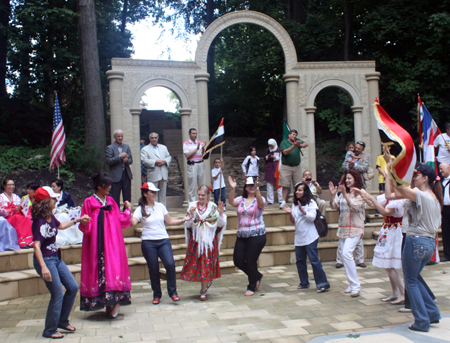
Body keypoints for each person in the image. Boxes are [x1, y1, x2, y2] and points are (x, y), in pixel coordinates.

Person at [385, 162, 441, 332]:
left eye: (416, 175)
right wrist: (389, 173)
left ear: (425, 178)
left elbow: (398, 186)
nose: (413, 177)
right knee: (414, 278)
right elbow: (389, 193)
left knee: (411, 282)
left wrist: (390, 168)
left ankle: (422, 321)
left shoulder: (421, 195)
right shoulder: (429, 196)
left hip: (416, 241)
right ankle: (431, 313)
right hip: (428, 243)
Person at [31, 186, 90, 339]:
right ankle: (49, 330)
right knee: (57, 294)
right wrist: (43, 267)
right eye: (53, 198)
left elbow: (61, 226)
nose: (56, 200)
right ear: (45, 202)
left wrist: (77, 220)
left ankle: (62, 321)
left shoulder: (51, 217)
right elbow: (36, 246)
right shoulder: (39, 222)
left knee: (72, 287)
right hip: (46, 261)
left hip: (56, 258)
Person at [78, 173, 132, 318]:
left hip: (113, 241)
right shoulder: (89, 202)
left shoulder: (111, 201)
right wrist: (84, 223)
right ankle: (105, 302)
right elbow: (85, 223)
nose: (109, 188)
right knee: (98, 268)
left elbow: (120, 219)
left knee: (113, 266)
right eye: (106, 185)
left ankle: (115, 301)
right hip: (96, 242)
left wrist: (127, 210)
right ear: (99, 186)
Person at [131, 182, 193, 304]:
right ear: (145, 194)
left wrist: (183, 220)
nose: (155, 194)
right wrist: (127, 212)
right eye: (152, 192)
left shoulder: (160, 206)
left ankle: (173, 292)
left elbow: (169, 221)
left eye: (155, 192)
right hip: (148, 242)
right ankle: (156, 294)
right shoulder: (140, 209)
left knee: (170, 264)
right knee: (153, 268)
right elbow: (133, 222)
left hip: (163, 240)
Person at [353, 188, 404, 304]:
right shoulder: (387, 198)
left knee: (389, 264)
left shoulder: (399, 199)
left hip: (395, 231)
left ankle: (403, 292)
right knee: (387, 264)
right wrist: (363, 195)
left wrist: (370, 198)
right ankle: (396, 292)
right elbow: (373, 204)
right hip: (388, 230)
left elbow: (385, 212)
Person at [180, 185, 227, 301]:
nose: (200, 197)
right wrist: (190, 216)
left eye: (203, 195)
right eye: (199, 195)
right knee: (199, 265)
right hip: (196, 241)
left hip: (209, 241)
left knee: (206, 264)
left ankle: (203, 291)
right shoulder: (192, 206)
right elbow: (187, 225)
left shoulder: (213, 207)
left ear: (208, 196)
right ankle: (205, 284)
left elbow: (220, 224)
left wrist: (220, 214)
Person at [282, 182, 330, 292]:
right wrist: (290, 213)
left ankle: (322, 283)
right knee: (300, 261)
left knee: (313, 260)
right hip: (299, 237)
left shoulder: (311, 203)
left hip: (310, 236)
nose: (297, 192)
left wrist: (303, 211)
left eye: (300, 190)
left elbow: (312, 217)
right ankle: (304, 282)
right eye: (296, 190)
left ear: (305, 192)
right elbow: (294, 221)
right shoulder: (295, 204)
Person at [329, 169, 366, 297]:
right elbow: (334, 206)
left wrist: (344, 194)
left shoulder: (361, 193)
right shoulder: (343, 193)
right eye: (346, 179)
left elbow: (355, 206)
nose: (347, 181)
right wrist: (333, 194)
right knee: (345, 256)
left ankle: (356, 285)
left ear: (356, 179)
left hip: (356, 228)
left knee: (346, 253)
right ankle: (351, 284)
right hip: (343, 228)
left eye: (350, 178)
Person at [228, 176, 266, 296]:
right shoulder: (241, 199)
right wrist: (232, 189)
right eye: (249, 186)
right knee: (238, 261)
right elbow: (231, 202)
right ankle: (257, 275)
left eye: (253, 185)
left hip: (257, 234)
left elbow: (260, 204)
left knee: (251, 260)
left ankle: (251, 286)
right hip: (242, 234)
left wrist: (257, 188)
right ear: (245, 187)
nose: (252, 187)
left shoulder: (260, 198)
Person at [0, 178, 34, 248]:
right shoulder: (1, 197)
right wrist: (13, 210)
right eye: (9, 184)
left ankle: (28, 240)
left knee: (26, 218)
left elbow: (21, 206)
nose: (12, 186)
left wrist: (20, 209)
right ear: (4, 186)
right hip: (6, 218)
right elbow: (1, 210)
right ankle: (20, 241)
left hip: (16, 216)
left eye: (13, 184)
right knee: (19, 218)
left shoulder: (16, 197)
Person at [279, 129, 308, 209]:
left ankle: (298, 201)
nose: (294, 136)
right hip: (286, 166)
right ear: (289, 135)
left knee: (298, 185)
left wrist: (300, 145)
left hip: (296, 166)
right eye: (292, 134)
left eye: (295, 135)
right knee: (285, 184)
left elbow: (306, 144)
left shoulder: (298, 141)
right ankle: (283, 202)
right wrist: (294, 146)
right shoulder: (284, 142)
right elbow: (285, 152)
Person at [141, 132, 172, 206]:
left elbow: (169, 157)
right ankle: (154, 209)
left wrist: (165, 161)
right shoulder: (145, 149)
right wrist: (155, 162)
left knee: (163, 194)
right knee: (153, 194)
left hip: (163, 173)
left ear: (158, 138)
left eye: (155, 137)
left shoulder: (163, 147)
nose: (154, 139)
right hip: (153, 173)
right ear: (150, 139)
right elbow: (144, 160)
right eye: (152, 138)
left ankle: (163, 211)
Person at [106, 129, 133, 209]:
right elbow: (108, 161)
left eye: (121, 136)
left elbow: (131, 160)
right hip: (115, 176)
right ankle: (116, 214)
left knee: (127, 196)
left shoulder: (126, 147)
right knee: (115, 197)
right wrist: (119, 157)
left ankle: (126, 213)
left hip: (126, 174)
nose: (120, 138)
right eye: (118, 136)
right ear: (114, 137)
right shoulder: (110, 148)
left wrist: (127, 161)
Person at [50, 179, 82, 247]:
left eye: (54, 186)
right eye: (51, 186)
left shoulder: (66, 195)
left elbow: (71, 205)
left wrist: (67, 210)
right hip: (56, 214)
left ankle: (72, 237)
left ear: (59, 187)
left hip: (66, 213)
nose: (52, 188)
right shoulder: (51, 196)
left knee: (65, 216)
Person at [183, 128, 206, 202]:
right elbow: (187, 156)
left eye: (196, 133)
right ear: (189, 134)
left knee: (202, 185)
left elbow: (204, 155)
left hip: (200, 164)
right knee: (192, 186)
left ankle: (202, 203)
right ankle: (192, 205)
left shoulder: (200, 142)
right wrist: (196, 149)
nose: (195, 135)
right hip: (192, 165)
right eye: (193, 133)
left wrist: (203, 148)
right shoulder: (186, 143)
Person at [264, 138, 282, 205]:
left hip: (277, 168)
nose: (271, 147)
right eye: (270, 145)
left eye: (272, 145)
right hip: (269, 169)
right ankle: (270, 200)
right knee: (269, 185)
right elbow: (264, 158)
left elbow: (281, 158)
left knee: (279, 185)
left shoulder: (279, 149)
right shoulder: (268, 150)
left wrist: (275, 157)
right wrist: (267, 157)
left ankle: (280, 200)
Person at [440, 162, 450, 262]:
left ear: (448, 168)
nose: (440, 171)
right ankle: (448, 254)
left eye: (442, 169)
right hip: (445, 210)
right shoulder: (441, 181)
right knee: (446, 233)